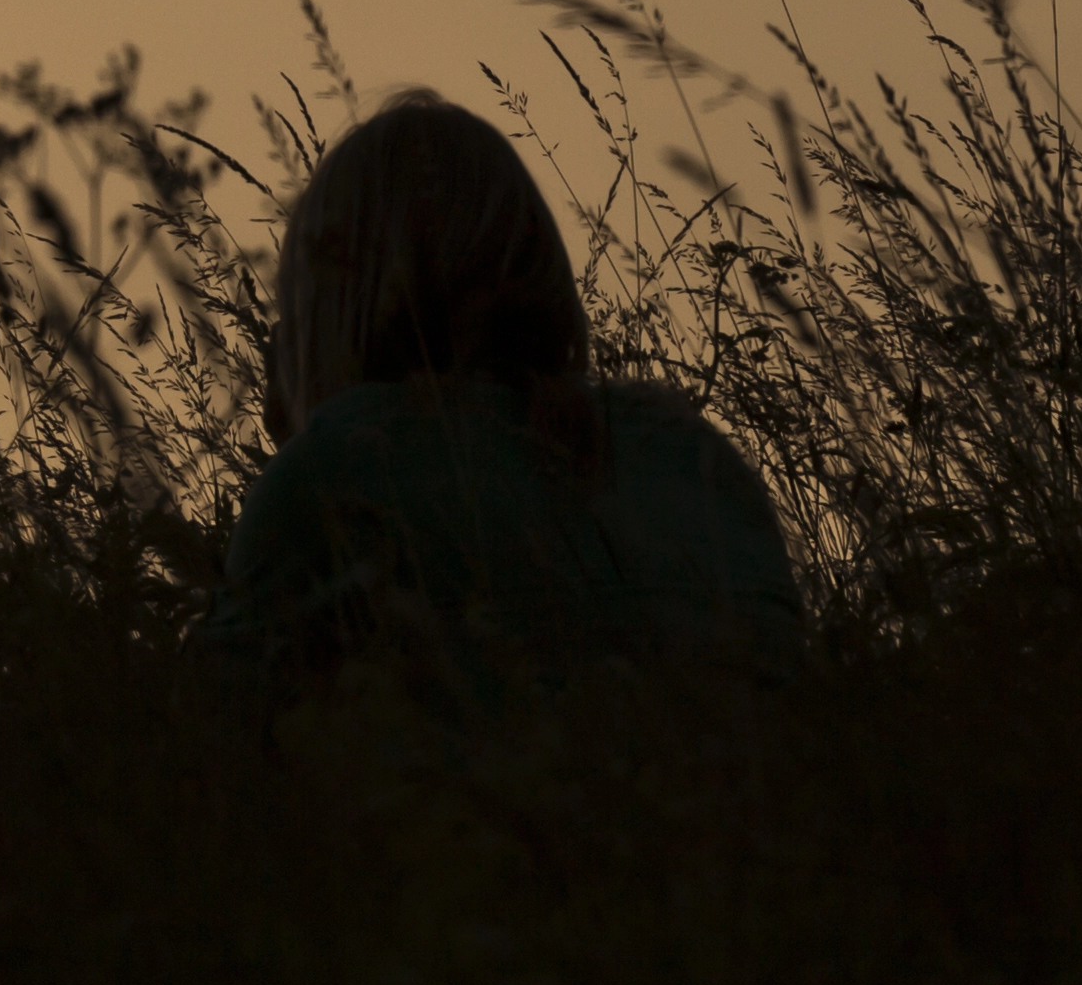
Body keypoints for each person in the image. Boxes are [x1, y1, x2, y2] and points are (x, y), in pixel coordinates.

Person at [193, 92, 803, 694]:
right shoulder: (697, 460)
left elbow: (215, 741)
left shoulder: (332, 480)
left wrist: (304, 446)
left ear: (333, 311)